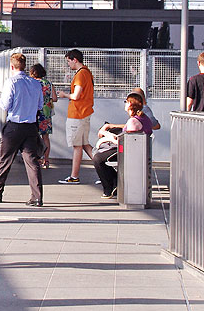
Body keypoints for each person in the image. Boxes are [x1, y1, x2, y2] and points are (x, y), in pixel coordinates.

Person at [0, 52, 45, 206]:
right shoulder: (36, 83)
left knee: (5, 160)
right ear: (24, 66)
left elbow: (5, 105)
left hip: (14, 126)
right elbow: (40, 105)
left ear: (11, 66)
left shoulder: (11, 82)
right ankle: (37, 197)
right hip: (31, 127)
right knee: (32, 161)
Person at [92, 93, 154, 199]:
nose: (125, 104)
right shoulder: (142, 118)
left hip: (129, 152)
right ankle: (115, 182)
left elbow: (126, 142)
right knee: (100, 155)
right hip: (136, 150)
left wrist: (108, 137)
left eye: (126, 102)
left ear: (130, 104)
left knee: (98, 158)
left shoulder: (133, 122)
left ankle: (109, 188)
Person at [57, 49, 94, 184]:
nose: (68, 64)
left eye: (68, 61)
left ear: (75, 60)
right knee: (85, 144)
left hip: (77, 114)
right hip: (85, 113)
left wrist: (64, 95)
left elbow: (76, 96)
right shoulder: (87, 72)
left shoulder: (80, 75)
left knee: (77, 145)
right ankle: (105, 170)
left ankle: (74, 176)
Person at [29, 64, 57, 169]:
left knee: (34, 137)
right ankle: (46, 159)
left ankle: (37, 159)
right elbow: (54, 98)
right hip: (46, 112)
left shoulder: (32, 83)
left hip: (34, 112)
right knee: (46, 137)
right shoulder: (48, 83)